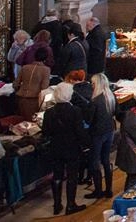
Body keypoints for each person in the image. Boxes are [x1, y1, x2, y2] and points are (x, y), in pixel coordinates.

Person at [42, 81, 88, 215]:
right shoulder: (75, 111)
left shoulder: (49, 112)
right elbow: (80, 132)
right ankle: (70, 204)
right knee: (72, 176)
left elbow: (46, 132)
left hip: (55, 148)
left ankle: (57, 205)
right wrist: (86, 145)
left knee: (57, 176)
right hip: (72, 148)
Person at [85, 72, 117, 200]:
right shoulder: (110, 97)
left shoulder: (95, 101)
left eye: (93, 83)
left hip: (97, 134)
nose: (91, 86)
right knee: (106, 160)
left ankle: (98, 190)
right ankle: (108, 190)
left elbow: (88, 120)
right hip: (109, 132)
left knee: (94, 162)